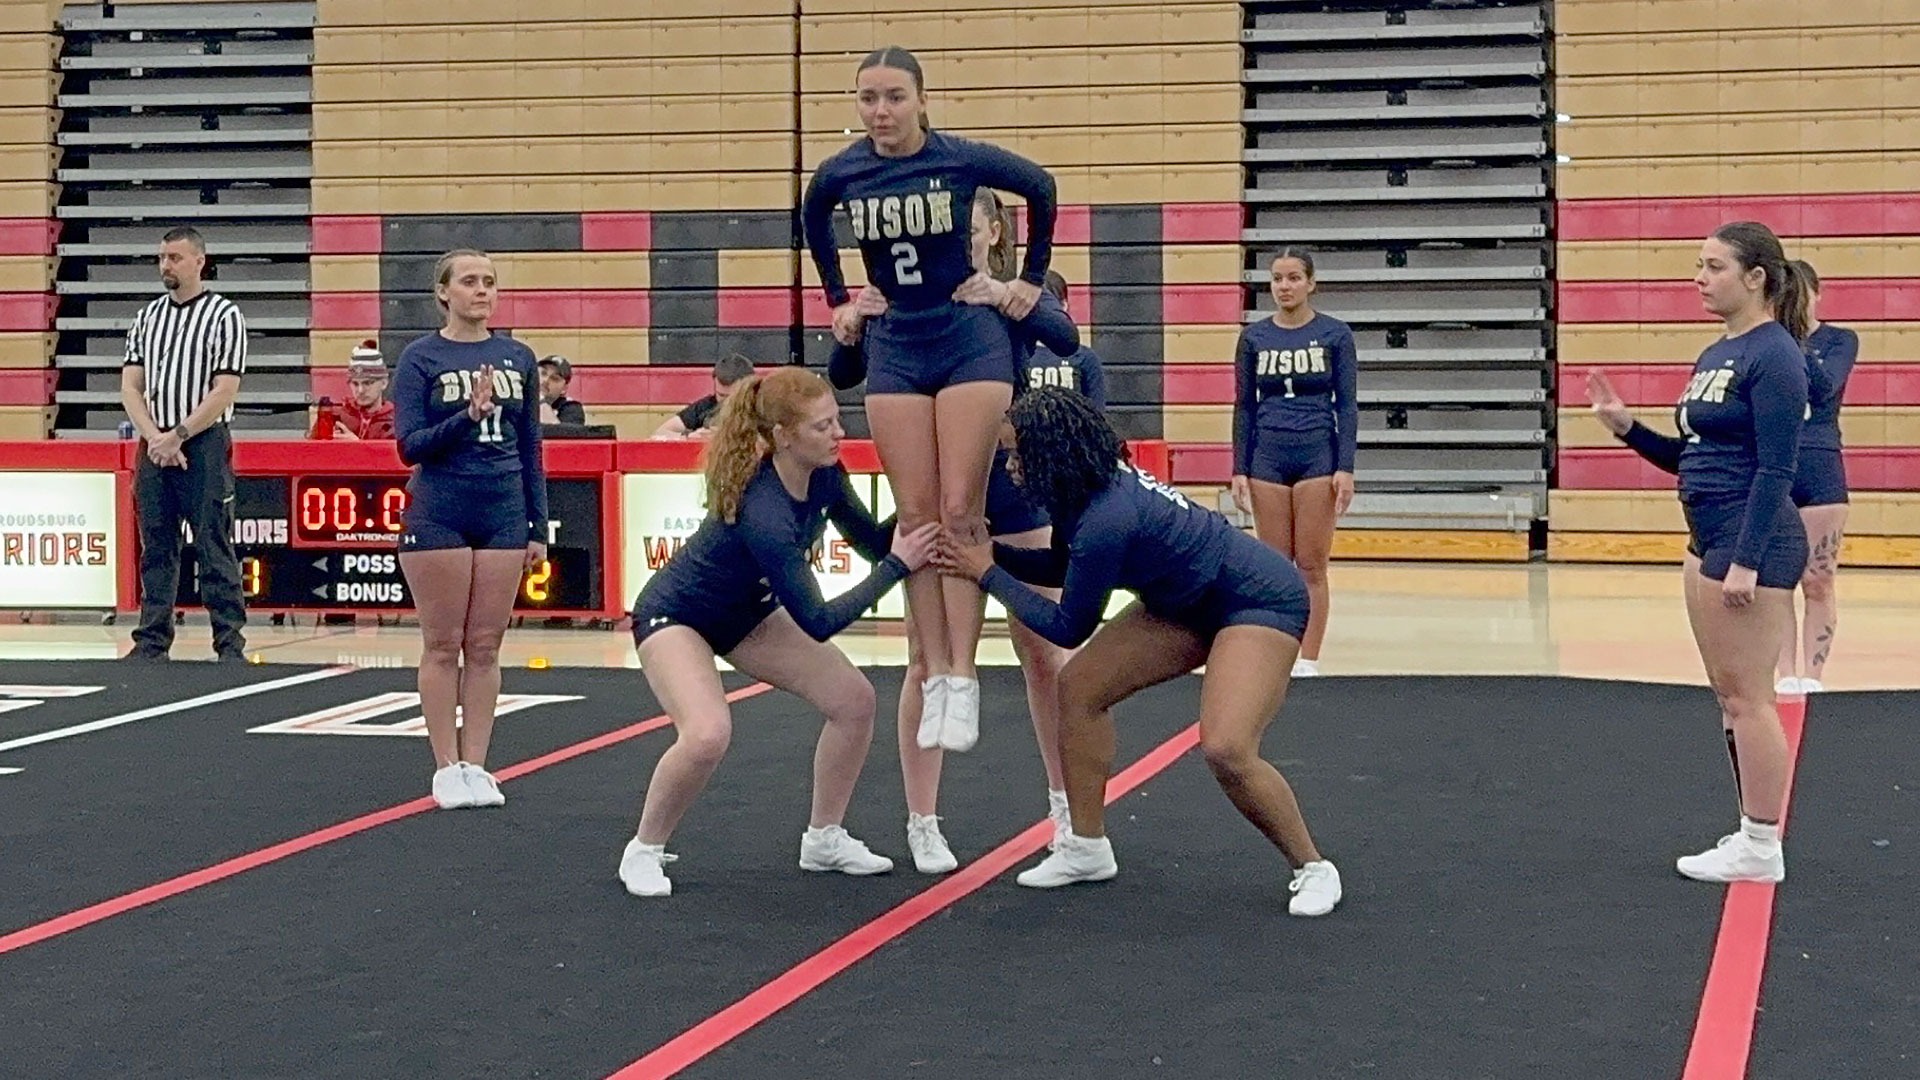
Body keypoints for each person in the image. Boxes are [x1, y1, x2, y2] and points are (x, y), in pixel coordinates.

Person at [936, 387, 1343, 915]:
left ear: (1050, 453)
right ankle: (1086, 846)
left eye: (1017, 454)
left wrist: (987, 572)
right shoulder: (1078, 488)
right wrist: (996, 556)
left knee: (1226, 747)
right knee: (1078, 687)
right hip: (1185, 600)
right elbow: (1065, 568)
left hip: (1257, 600)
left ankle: (1312, 866)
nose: (1010, 467)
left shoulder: (1107, 515)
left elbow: (1067, 625)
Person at [802, 45, 1059, 760]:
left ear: (921, 99)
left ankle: (964, 674)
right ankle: (936, 671)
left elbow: (1041, 187)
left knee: (958, 509)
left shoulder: (961, 159)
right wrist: (838, 300)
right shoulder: (844, 171)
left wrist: (1028, 280)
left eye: (892, 97)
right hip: (896, 344)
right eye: (867, 98)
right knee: (914, 520)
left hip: (967, 339)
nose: (879, 111)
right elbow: (812, 216)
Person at [619, 367, 940, 897]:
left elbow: (872, 544)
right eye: (822, 427)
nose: (839, 434)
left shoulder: (827, 476)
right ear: (782, 437)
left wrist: (925, 510)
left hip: (747, 615)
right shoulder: (763, 509)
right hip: (679, 616)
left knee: (854, 701)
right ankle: (645, 849)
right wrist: (899, 566)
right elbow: (818, 620)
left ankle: (823, 837)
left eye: (838, 420)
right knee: (706, 734)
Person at [848, 188, 1086, 871]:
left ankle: (1067, 808)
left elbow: (1068, 340)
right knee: (927, 660)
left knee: (1044, 658)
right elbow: (849, 370)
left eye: (968, 231)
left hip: (1016, 504)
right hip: (947, 505)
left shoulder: (1003, 299)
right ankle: (923, 819)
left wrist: (1020, 291)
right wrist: (858, 315)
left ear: (990, 234)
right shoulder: (913, 307)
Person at [1584, 221, 1811, 884]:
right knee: (1729, 693)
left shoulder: (1776, 356)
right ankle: (1750, 829)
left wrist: (1746, 558)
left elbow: (1776, 468)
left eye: (1713, 267)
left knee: (1749, 697)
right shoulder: (1718, 353)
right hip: (1708, 533)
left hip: (1754, 539)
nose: (1699, 278)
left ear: (1756, 278)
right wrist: (1627, 429)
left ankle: (1762, 845)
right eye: (1698, 265)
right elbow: (1695, 456)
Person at [391, 250, 549, 811]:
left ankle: (478, 764)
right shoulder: (420, 358)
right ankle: (445, 765)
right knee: (442, 643)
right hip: (441, 508)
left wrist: (538, 524)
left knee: (485, 646)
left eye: (489, 282)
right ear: (443, 293)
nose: (481, 291)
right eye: (469, 282)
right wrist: (468, 416)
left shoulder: (518, 357)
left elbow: (531, 445)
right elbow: (409, 444)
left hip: (503, 506)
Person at [119, 225, 250, 663]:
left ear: (199, 261)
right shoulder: (147, 316)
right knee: (155, 544)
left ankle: (229, 642)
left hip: (203, 442)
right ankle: (152, 641)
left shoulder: (224, 315)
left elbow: (224, 388)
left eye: (175, 257)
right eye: (161, 258)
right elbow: (130, 388)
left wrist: (179, 434)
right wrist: (156, 437)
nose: (165, 266)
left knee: (214, 544)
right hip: (154, 443)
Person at [1230, 249, 1357, 678]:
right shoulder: (1254, 338)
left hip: (1317, 454)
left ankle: (1308, 658)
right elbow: (1245, 405)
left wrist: (1346, 466)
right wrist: (1239, 468)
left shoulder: (1335, 335)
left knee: (1311, 565)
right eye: (1278, 279)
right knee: (1274, 566)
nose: (1285, 286)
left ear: (1311, 283)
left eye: (1294, 278)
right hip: (1267, 455)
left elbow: (1348, 404)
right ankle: (1276, 651)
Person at [1776, 260, 1857, 695]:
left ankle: (1814, 674)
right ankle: (1785, 671)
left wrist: (1795, 341)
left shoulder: (1839, 340)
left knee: (1818, 578)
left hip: (1820, 463)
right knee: (1777, 578)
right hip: (1775, 463)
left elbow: (1826, 387)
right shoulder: (1765, 342)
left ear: (1815, 294)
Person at [650, 353, 753, 439]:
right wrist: (689, 437)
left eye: (732, 397)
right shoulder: (705, 407)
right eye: (721, 395)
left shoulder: (760, 409)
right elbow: (659, 433)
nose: (726, 402)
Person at [311, 339, 395, 440]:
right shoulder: (335, 417)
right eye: (355, 383)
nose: (360, 390)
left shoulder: (397, 422)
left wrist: (356, 446)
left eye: (367, 383)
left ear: (384, 383)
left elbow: (394, 455)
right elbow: (310, 453)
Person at [536, 355, 588, 425]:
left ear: (564, 389)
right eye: (543, 373)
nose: (545, 380)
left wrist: (540, 400)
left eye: (554, 378)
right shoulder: (519, 399)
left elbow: (559, 434)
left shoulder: (571, 409)